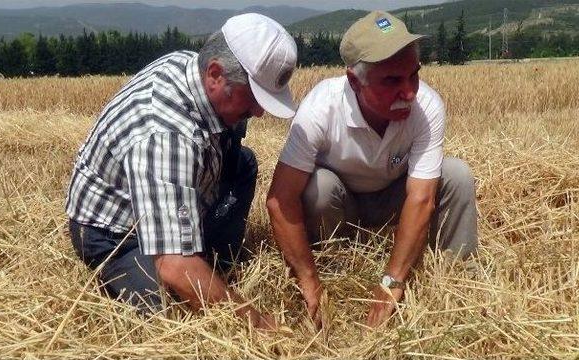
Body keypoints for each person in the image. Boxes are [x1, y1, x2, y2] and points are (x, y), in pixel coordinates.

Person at [65, 13, 297, 330]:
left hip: (181, 187)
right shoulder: (165, 135)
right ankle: (178, 270)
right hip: (118, 232)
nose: (259, 111)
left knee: (243, 163)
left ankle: (215, 265)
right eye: (254, 97)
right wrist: (258, 325)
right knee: (168, 317)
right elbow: (175, 265)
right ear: (215, 74)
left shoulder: (193, 66)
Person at [266, 11, 478, 329]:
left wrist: (392, 282)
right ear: (354, 81)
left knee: (457, 175)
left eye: (413, 76)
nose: (409, 92)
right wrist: (309, 281)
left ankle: (461, 283)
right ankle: (336, 271)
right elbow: (280, 200)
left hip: (395, 202)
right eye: (392, 81)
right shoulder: (321, 108)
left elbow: (421, 198)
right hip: (342, 207)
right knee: (318, 187)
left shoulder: (427, 107)